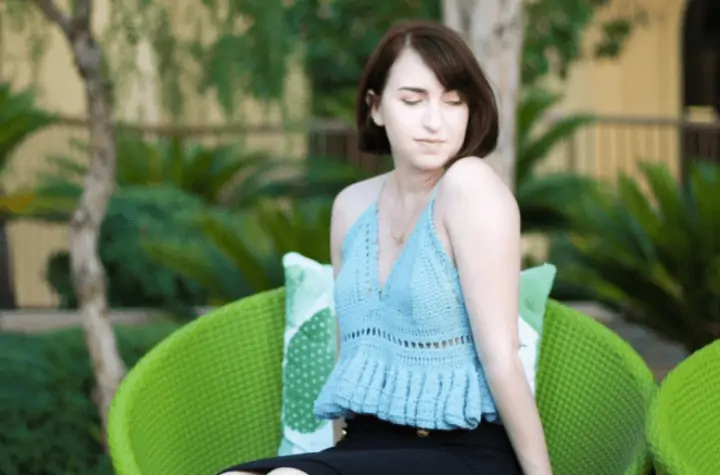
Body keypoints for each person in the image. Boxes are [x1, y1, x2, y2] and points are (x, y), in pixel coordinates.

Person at [218, 19, 552, 475]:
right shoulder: (352, 206)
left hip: (462, 450)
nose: (435, 121)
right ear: (376, 108)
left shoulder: (469, 187)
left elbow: (501, 357)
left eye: (453, 102)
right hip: (365, 446)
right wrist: (328, 462)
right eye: (413, 100)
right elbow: (347, 360)